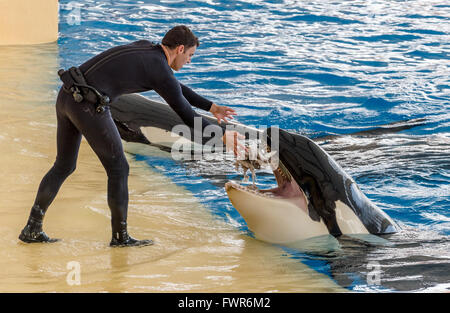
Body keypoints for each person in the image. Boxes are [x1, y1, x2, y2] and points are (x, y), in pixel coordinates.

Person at [19, 25, 245, 247]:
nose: (189, 61)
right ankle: (120, 237)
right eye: (190, 55)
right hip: (87, 105)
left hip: (67, 96)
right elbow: (185, 113)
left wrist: (212, 106)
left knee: (64, 165)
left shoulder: (148, 49)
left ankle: (32, 228)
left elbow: (175, 87)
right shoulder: (158, 68)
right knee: (119, 168)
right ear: (180, 49)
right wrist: (222, 135)